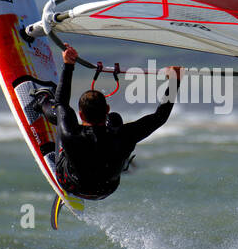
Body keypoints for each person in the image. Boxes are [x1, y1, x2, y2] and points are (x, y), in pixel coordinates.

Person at [33, 45, 179, 200]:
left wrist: (68, 65)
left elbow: (61, 104)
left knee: (62, 113)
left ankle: (40, 100)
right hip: (106, 189)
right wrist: (174, 81)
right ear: (107, 108)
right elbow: (160, 117)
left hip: (70, 183)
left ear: (81, 114)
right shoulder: (125, 135)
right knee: (115, 119)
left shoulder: (71, 133)